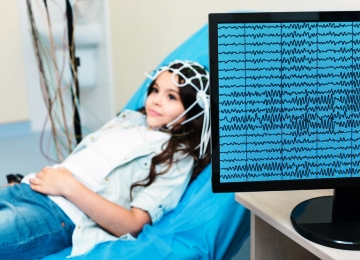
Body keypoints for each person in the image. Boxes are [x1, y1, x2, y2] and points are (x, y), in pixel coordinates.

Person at [0, 60, 211, 259]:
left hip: (59, 214)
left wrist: (68, 186)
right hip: (28, 188)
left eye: (171, 97)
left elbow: (134, 224)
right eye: (155, 90)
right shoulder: (130, 119)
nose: (156, 99)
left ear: (193, 110)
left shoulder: (177, 158)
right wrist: (24, 185)